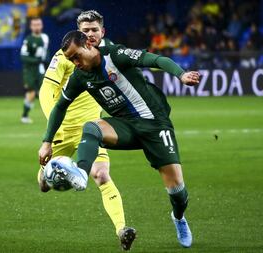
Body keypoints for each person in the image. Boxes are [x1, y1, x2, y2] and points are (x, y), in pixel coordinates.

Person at [39, 30, 200, 248]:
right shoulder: (80, 76)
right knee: (92, 127)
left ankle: (179, 218)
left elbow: (156, 59)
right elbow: (60, 107)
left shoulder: (115, 55)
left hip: (155, 125)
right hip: (126, 126)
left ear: (88, 44)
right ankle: (82, 174)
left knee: (178, 192)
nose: (75, 63)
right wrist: (47, 141)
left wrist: (180, 74)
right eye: (70, 60)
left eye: (76, 56)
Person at [37, 10, 135, 251]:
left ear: (102, 31)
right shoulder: (63, 57)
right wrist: (52, 128)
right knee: (43, 183)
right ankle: (56, 173)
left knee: (101, 175)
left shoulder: (108, 54)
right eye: (85, 31)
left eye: (93, 30)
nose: (89, 35)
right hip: (61, 131)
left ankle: (122, 229)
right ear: (78, 33)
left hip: (90, 131)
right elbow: (45, 91)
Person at [20, 17, 49, 124]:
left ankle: (51, 116)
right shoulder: (28, 40)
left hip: (41, 69)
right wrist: (36, 60)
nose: (37, 26)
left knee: (47, 91)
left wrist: (46, 62)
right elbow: (23, 56)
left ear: (42, 25)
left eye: (38, 24)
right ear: (31, 26)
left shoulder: (45, 38)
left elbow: (46, 53)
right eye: (34, 24)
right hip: (30, 70)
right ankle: (25, 115)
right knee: (31, 93)